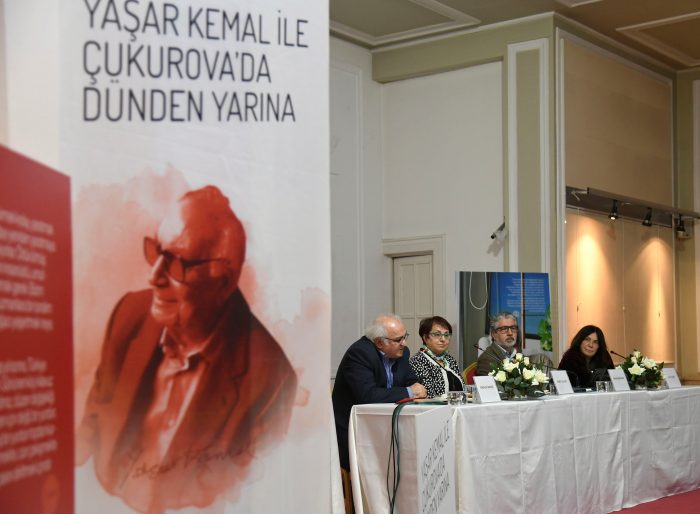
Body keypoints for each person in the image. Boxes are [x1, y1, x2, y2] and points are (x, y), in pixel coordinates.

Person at [77, 186, 297, 514]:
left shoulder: (269, 378)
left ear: (224, 281)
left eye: (177, 263)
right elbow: (91, 429)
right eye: (156, 251)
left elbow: (241, 494)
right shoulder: (130, 316)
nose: (154, 276)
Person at [332, 314, 427, 470]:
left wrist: (416, 387)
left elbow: (411, 381)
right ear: (379, 342)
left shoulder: (402, 353)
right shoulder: (359, 353)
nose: (404, 343)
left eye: (405, 337)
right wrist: (410, 391)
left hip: (385, 427)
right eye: (398, 340)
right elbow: (368, 396)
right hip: (355, 433)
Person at [409, 316, 465, 397]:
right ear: (425, 338)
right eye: (437, 334)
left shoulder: (450, 360)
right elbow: (428, 395)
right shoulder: (417, 361)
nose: (443, 339)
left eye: (446, 335)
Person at [476, 312, 520, 376]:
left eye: (513, 328)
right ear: (494, 334)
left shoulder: (517, 354)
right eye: (504, 329)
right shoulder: (486, 360)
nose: (510, 333)